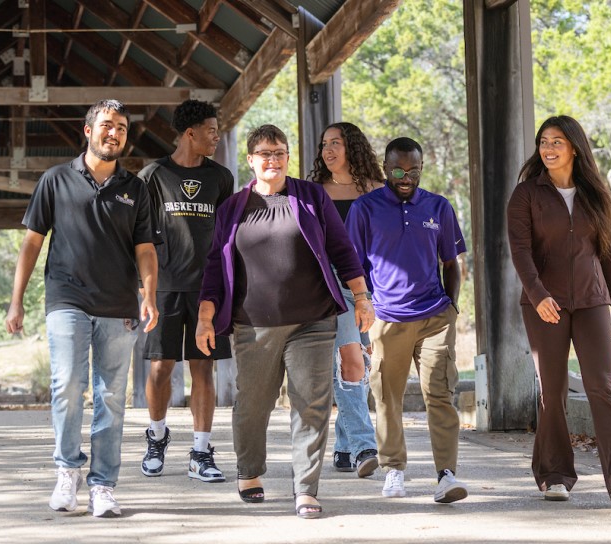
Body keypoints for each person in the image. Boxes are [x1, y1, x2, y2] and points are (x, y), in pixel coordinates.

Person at [195, 124, 375, 519]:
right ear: (250, 160)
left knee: (310, 405)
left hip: (313, 320)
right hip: (252, 324)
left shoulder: (310, 197)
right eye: (265, 154)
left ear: (288, 157)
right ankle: (250, 472)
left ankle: (305, 489)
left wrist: (361, 298)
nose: (272, 160)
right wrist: (205, 318)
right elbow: (214, 267)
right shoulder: (233, 207)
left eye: (280, 153)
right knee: (253, 404)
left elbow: (342, 249)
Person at [5, 99, 159, 517]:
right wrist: (16, 300)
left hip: (118, 304)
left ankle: (103, 485)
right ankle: (66, 470)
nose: (115, 133)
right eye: (107, 125)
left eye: (122, 128)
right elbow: (32, 242)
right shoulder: (55, 180)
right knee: (68, 384)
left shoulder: (136, 189)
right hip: (66, 298)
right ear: (88, 131)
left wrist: (149, 293)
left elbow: (145, 250)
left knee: (111, 398)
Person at [506, 115, 611, 503]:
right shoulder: (526, 195)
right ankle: (554, 474)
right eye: (543, 142)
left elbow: (610, 255)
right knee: (553, 389)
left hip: (592, 301)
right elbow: (520, 253)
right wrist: (538, 294)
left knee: (602, 387)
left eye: (557, 142)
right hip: (543, 305)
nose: (548, 149)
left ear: (575, 148)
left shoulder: (597, 194)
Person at [345, 137, 469, 503]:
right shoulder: (365, 209)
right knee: (387, 398)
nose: (405, 177)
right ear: (385, 168)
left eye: (413, 171)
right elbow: (354, 266)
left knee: (440, 394)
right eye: (398, 170)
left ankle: (446, 475)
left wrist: (453, 306)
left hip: (434, 316)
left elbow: (451, 263)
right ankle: (394, 470)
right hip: (387, 318)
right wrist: (364, 306)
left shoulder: (438, 207)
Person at [137, 100, 234, 482]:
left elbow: (229, 235)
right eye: (211, 130)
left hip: (208, 287)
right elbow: (140, 237)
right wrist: (143, 290)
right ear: (190, 133)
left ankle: (200, 452)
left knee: (203, 367)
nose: (217, 136)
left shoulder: (221, 178)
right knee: (161, 367)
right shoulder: (152, 175)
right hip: (165, 286)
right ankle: (157, 437)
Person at [308, 122, 382, 478]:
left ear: (353, 146)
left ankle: (342, 446)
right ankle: (365, 445)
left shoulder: (378, 191)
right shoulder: (314, 192)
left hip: (369, 288)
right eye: (324, 144)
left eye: (335, 143)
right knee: (350, 358)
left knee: (361, 364)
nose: (328, 150)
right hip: (331, 285)